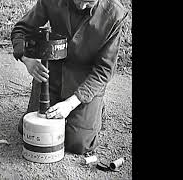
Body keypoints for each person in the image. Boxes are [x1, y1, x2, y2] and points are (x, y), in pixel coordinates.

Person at [10, 0, 128, 155]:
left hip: (85, 81)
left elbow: (104, 69)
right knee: (30, 131)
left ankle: (96, 108)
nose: (81, 6)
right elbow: (21, 29)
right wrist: (27, 59)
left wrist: (70, 104)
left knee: (78, 143)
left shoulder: (114, 14)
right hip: (51, 75)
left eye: (89, 2)